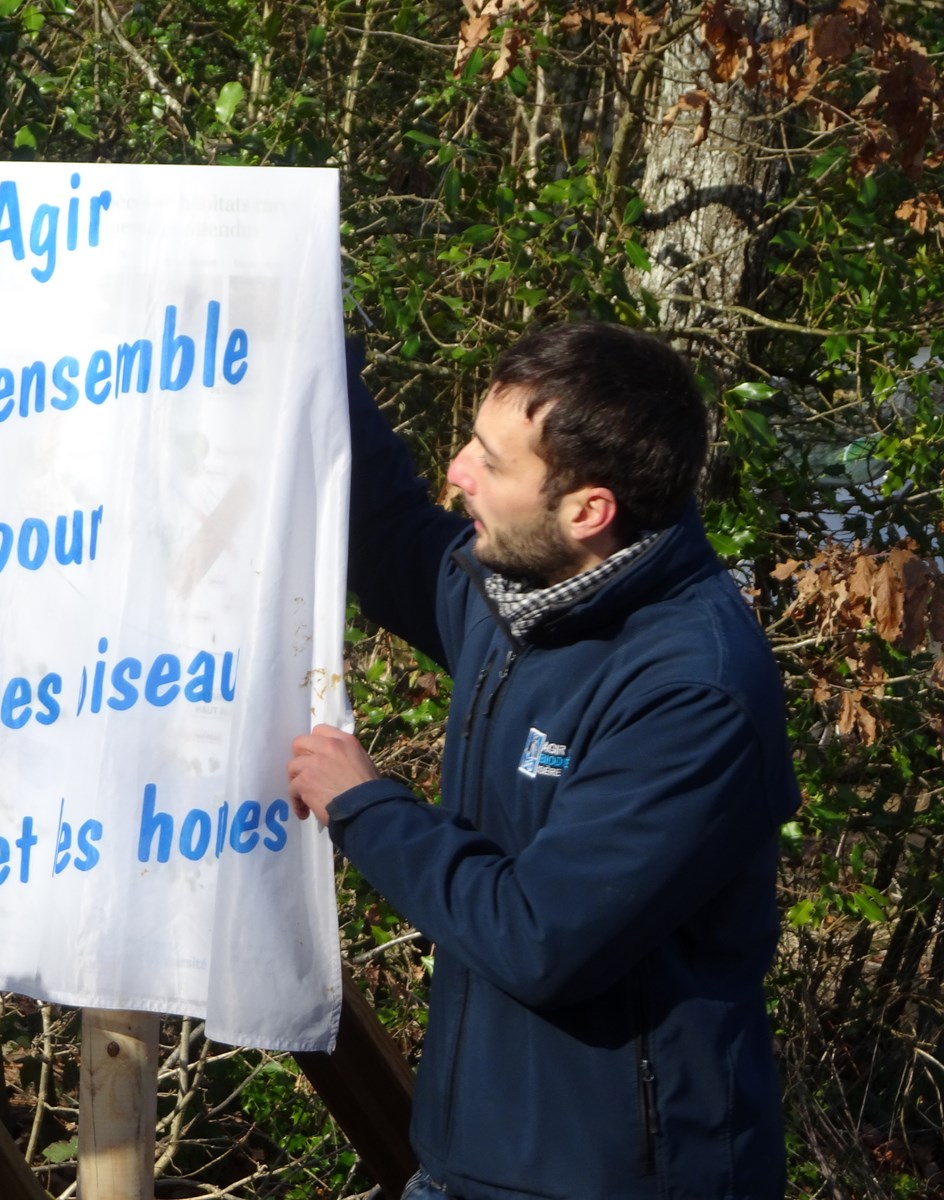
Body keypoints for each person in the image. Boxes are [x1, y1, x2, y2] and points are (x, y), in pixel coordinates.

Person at [288, 322, 799, 1200]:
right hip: (468, 1167)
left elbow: (539, 937)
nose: (458, 470)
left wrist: (367, 807)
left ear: (587, 509)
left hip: (611, 1184)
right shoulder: (522, 590)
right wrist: (320, 347)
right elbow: (384, 533)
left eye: (490, 461)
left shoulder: (693, 694)